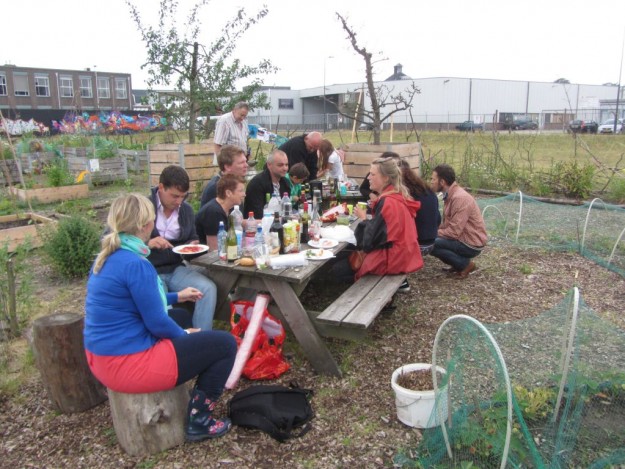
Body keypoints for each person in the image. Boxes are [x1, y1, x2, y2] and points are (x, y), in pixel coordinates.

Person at [84, 193, 236, 442]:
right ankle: (200, 421)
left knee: (179, 315)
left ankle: (189, 389)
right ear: (146, 225)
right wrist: (184, 336)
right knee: (225, 344)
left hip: (102, 357)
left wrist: (177, 296)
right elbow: (156, 322)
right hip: (127, 365)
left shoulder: (109, 256)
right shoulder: (136, 264)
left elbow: (136, 301)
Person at [332, 157, 423, 290]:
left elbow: (370, 242)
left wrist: (363, 219)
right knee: (343, 257)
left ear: (385, 178)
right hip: (403, 254)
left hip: (392, 259)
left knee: (337, 270)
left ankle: (378, 291)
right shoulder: (397, 196)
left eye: (373, 174)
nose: (368, 177)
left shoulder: (388, 202)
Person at [148, 165, 218, 330]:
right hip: (150, 270)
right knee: (162, 302)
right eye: (174, 196)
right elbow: (122, 240)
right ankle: (172, 340)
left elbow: (192, 236)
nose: (179, 201)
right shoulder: (144, 207)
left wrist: (193, 245)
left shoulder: (186, 210)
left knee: (207, 288)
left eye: (183, 196)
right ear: (161, 187)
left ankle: (201, 337)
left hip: (175, 268)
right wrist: (148, 244)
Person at [429, 163, 487, 279]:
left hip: (471, 243)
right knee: (431, 240)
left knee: (431, 244)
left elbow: (453, 232)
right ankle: (457, 264)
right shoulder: (450, 195)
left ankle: (465, 265)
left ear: (442, 182)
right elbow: (448, 224)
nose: (431, 182)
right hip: (462, 237)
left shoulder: (460, 198)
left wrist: (431, 233)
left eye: (433, 179)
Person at [398, 159, 441, 254]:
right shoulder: (429, 192)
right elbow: (438, 219)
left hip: (416, 245)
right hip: (431, 243)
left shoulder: (407, 196)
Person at [196, 174, 246, 250]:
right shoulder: (213, 212)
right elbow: (214, 249)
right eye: (241, 191)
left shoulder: (227, 209)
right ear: (228, 193)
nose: (244, 194)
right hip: (202, 256)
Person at [244, 149, 291, 219]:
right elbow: (256, 214)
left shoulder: (285, 183)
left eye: (286, 165)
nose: (285, 168)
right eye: (280, 165)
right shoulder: (257, 184)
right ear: (269, 165)